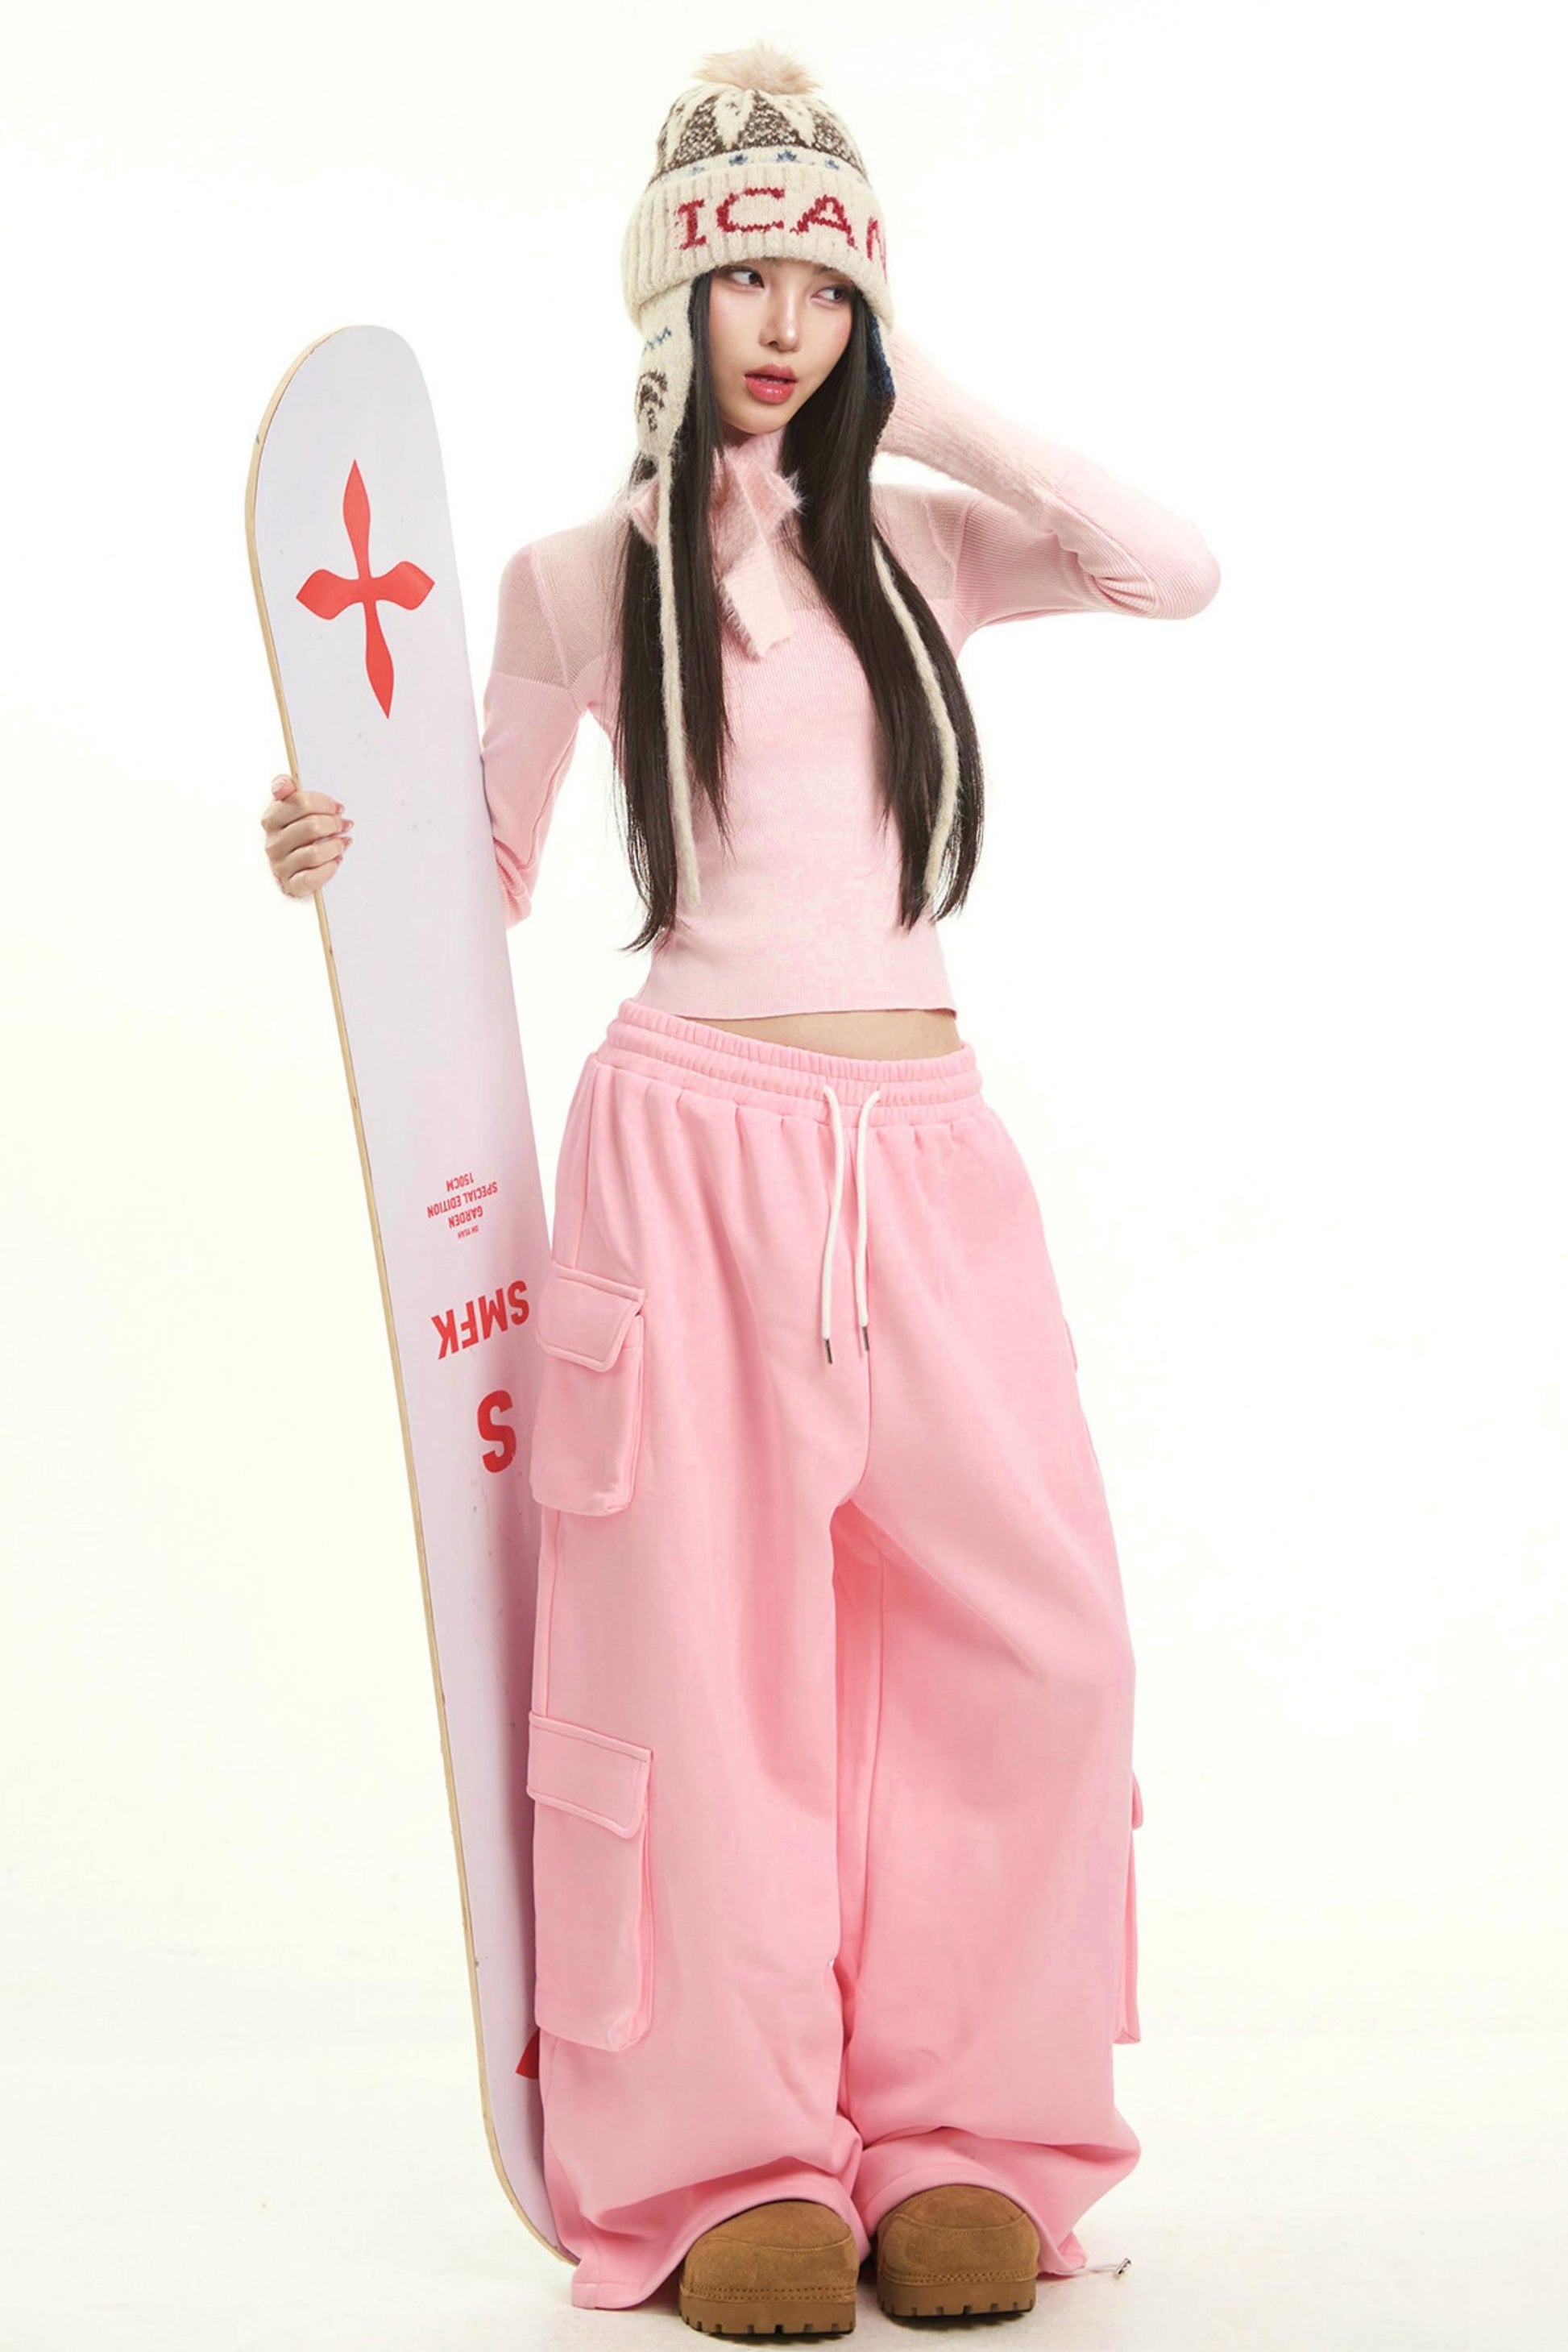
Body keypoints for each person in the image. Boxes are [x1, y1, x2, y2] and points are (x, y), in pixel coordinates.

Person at [260, 40, 1219, 2335]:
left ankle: (966, 2135)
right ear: (665, 305)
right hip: (686, 1149)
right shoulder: (576, 578)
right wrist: (336, 852)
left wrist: (929, 393)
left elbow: (1171, 569)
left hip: (927, 1157)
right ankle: (729, 2164)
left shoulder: (925, 549)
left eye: (819, 282)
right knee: (703, 1665)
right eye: (738, 279)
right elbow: (476, 871)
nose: (778, 323)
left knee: (1027, 1645)